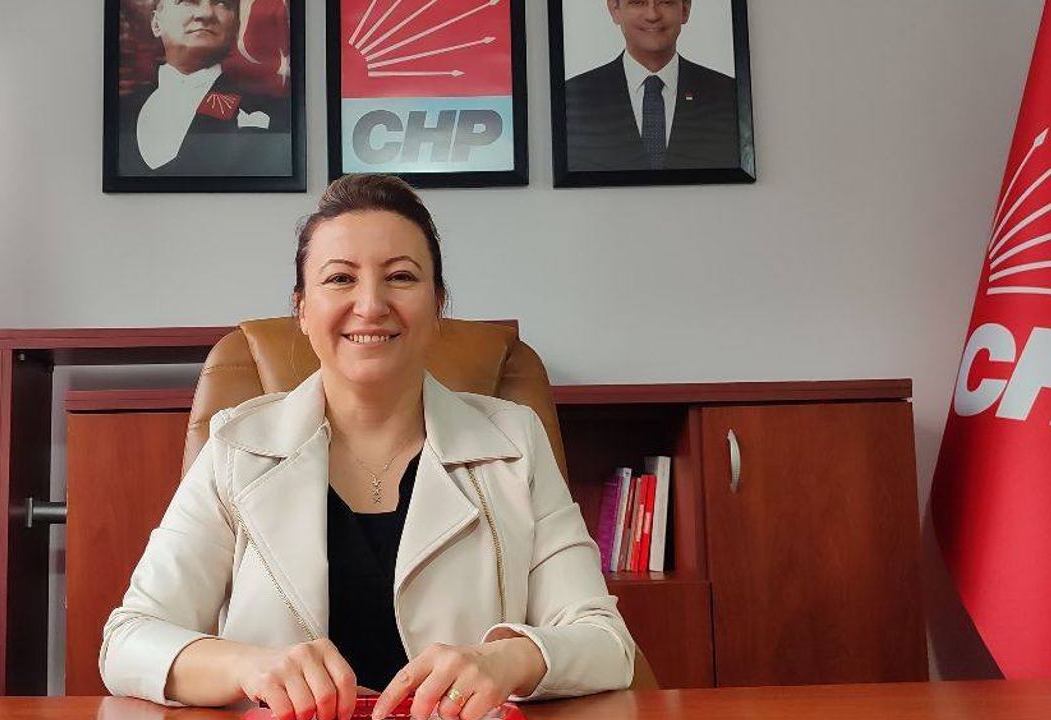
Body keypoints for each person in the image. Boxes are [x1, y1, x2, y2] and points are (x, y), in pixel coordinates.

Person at [100, 174, 637, 718]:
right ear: (302, 309)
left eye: (401, 277)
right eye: (340, 279)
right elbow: (128, 639)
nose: (371, 304)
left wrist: (506, 660)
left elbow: (605, 641)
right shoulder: (237, 447)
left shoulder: (515, 442)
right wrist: (249, 666)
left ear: (437, 304)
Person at [119, 0, 290, 177]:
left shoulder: (275, 114)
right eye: (187, 1)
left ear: (236, 27)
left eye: (222, 3)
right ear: (156, 24)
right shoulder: (119, 110)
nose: (206, 13)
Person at [564, 0, 739, 171]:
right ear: (615, 9)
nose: (652, 15)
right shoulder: (572, 98)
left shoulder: (729, 95)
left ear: (685, 9)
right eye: (638, 2)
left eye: (666, 2)